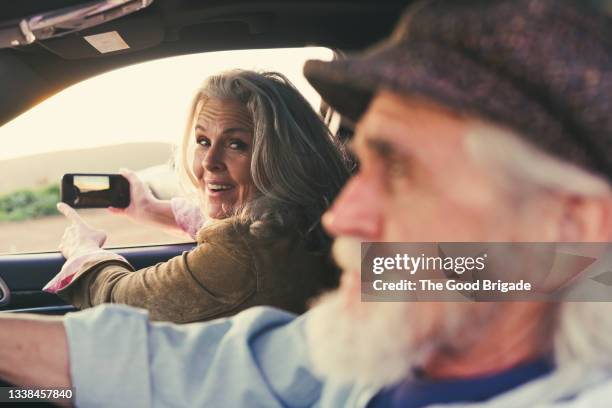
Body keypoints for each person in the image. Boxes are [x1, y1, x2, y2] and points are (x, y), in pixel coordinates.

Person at [1, 0, 612, 406]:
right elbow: (225, 368)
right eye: (368, 163)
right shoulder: (426, 283)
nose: (346, 215)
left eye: (406, 174)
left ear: (568, 223)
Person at [44, 70, 351, 323]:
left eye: (236, 145)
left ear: (283, 157)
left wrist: (84, 253)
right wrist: (152, 210)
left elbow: (120, 300)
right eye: (203, 141)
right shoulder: (324, 225)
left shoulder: (247, 251)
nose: (209, 161)